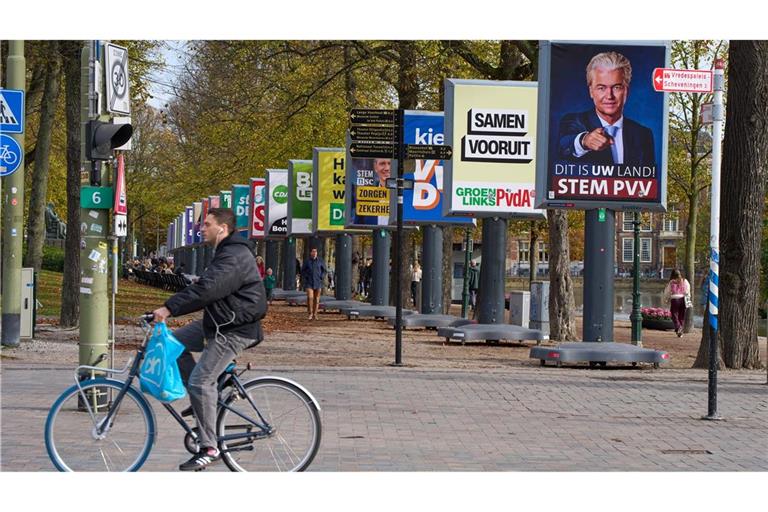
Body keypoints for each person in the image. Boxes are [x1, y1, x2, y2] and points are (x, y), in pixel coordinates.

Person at [152, 208, 267, 471]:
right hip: (218, 323)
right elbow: (205, 287)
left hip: (234, 329)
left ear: (222, 229)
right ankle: (204, 400)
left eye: (206, 224)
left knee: (200, 381)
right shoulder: (225, 252)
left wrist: (169, 308)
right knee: (173, 343)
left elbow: (207, 289)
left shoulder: (234, 256)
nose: (201, 229)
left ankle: (209, 447)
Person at [558, 51, 656, 167]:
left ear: (626, 91)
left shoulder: (643, 134)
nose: (609, 96)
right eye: (601, 88)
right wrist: (584, 141)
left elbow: (649, 180)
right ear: (591, 91)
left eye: (616, 87)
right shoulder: (573, 121)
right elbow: (564, 145)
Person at [663, 269, 691, 338]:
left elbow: (667, 292)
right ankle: (680, 331)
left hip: (675, 300)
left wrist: (666, 299)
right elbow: (687, 290)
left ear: (672, 275)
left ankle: (678, 327)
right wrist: (688, 298)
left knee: (674, 315)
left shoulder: (671, 282)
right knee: (681, 316)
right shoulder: (685, 281)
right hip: (683, 299)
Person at [301, 247, 327, 320]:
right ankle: (310, 313)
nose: (314, 253)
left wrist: (321, 277)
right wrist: (306, 277)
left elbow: (324, 270)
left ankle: (315, 314)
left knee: (317, 299)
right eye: (313, 251)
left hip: (318, 283)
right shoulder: (307, 261)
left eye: (315, 251)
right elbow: (303, 270)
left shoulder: (320, 261)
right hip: (309, 282)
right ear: (311, 253)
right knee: (310, 297)